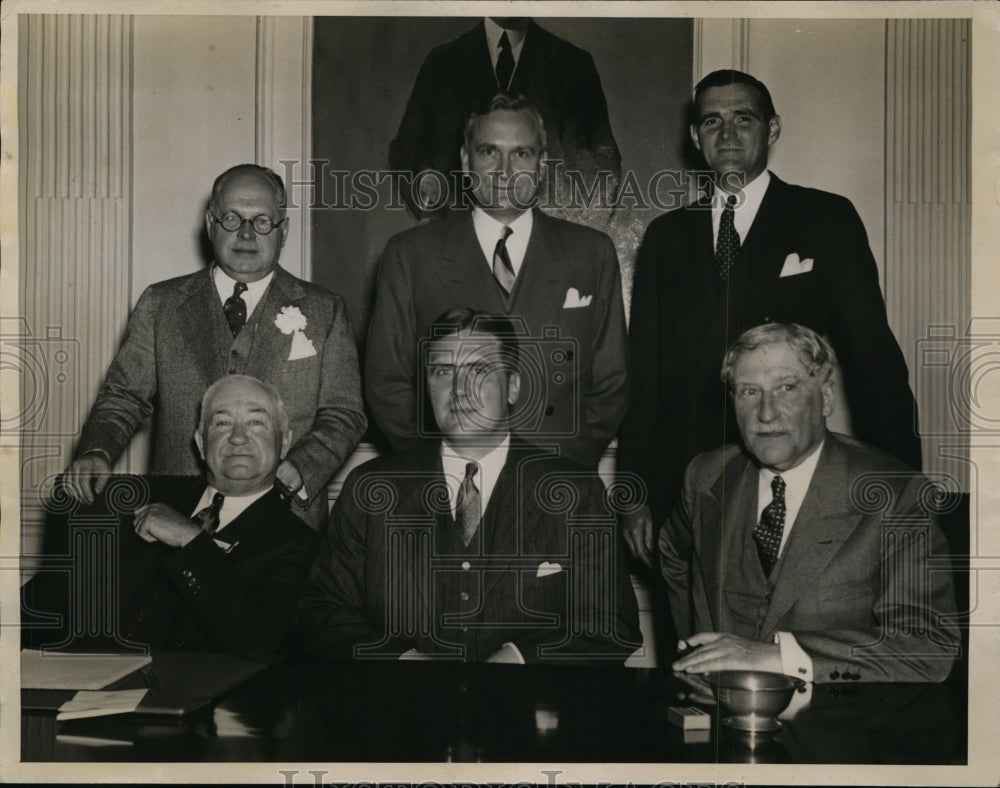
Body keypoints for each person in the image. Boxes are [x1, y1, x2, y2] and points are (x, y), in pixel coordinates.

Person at [619, 70, 922, 567]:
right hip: (684, 490)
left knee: (779, 631)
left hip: (788, 474)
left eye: (744, 119)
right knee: (693, 637)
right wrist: (634, 496)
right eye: (712, 121)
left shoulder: (824, 218)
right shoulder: (666, 237)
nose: (728, 134)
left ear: (772, 129)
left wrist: (904, 486)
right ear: (695, 137)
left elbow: (874, 361)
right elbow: (644, 378)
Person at [296, 309, 641, 663]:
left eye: (479, 370)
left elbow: (613, 625)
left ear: (514, 387)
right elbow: (319, 615)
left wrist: (520, 658)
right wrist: (399, 661)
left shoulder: (575, 491)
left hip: (527, 708)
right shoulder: (371, 487)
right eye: (444, 372)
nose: (459, 390)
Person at [63, 164, 366, 530]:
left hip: (286, 521)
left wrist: (300, 468)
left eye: (262, 221)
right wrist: (98, 450)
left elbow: (344, 414)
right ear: (210, 225)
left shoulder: (325, 310)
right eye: (232, 218)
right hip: (175, 513)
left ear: (283, 231)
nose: (246, 233)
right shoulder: (161, 303)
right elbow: (123, 396)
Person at [663, 323, 958, 683]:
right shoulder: (706, 476)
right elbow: (673, 555)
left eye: (787, 388)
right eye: (749, 392)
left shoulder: (897, 493)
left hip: (841, 725)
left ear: (827, 396)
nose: (766, 413)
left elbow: (928, 647)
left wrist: (780, 657)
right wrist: (697, 654)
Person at [368, 92, 628, 470]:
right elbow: (386, 383)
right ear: (465, 160)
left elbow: (611, 384)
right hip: (454, 483)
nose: (504, 170)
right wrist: (434, 467)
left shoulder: (592, 253)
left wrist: (569, 464)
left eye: (521, 153)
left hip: (557, 481)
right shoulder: (410, 255)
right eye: (489, 151)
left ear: (541, 165)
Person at [22, 375, 319, 657]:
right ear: (201, 444)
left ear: (285, 442)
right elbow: (49, 598)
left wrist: (191, 540)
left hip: (197, 701)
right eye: (223, 422)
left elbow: (259, 641)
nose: (238, 437)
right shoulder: (133, 498)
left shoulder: (298, 542)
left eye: (256, 422)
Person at [389, 17, 621, 219]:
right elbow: (408, 150)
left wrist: (568, 239)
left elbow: (603, 163)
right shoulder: (442, 62)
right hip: (457, 247)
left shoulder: (574, 65)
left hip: (546, 249)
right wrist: (435, 212)